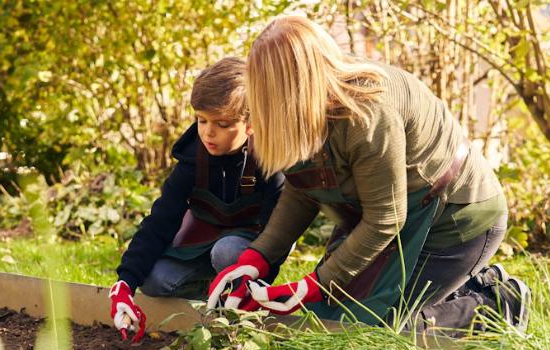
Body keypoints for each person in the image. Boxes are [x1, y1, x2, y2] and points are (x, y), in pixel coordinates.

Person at [208, 16, 530, 333]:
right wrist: (257, 258)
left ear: (295, 86)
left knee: (378, 331)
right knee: (327, 319)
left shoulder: (367, 112)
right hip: (391, 217)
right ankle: (453, 286)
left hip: (455, 222)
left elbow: (385, 218)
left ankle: (496, 302)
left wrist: (311, 285)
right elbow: (302, 188)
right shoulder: (307, 109)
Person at [109, 57, 285, 342]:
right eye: (201, 120)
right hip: (200, 245)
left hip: (246, 250)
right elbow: (160, 221)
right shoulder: (192, 158)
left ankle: (236, 303)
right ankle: (210, 291)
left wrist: (260, 281)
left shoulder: (269, 161)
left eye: (222, 124)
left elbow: (277, 234)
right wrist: (124, 284)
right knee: (153, 281)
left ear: (251, 124)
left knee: (227, 252)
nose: (207, 132)